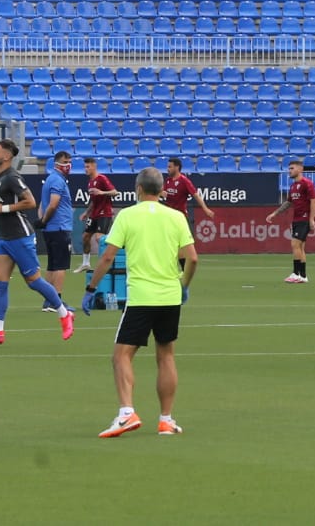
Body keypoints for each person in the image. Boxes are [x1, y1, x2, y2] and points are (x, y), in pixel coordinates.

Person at [90, 166, 198, 437]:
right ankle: (166, 419)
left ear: (138, 189)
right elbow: (192, 258)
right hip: (170, 295)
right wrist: (183, 285)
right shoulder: (176, 217)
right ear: (162, 190)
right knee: (166, 355)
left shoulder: (127, 215)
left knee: (121, 356)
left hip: (140, 296)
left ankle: (127, 413)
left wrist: (91, 288)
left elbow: (107, 256)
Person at [0, 139, 73, 345]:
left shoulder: (12, 177)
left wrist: (1, 209)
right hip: (5, 238)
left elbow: (30, 202)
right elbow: (6, 203)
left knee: (34, 282)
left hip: (20, 237)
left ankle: (64, 314)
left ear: (7, 156)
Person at [265, 158, 315, 284]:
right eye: (289, 168)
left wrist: (312, 219)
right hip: (297, 218)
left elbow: (314, 201)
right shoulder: (293, 186)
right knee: (300, 247)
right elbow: (289, 202)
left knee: (295, 245)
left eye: (292, 168)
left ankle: (296, 273)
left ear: (300, 169)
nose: (289, 171)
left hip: (304, 218)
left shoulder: (307, 183)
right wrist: (275, 213)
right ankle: (303, 276)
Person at [38, 149, 75, 299]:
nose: (69, 165)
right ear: (57, 164)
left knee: (52, 265)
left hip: (51, 228)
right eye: (66, 162)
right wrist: (44, 220)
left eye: (70, 162)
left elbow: (42, 204)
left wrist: (42, 221)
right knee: (61, 265)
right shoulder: (57, 181)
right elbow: (53, 204)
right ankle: (56, 300)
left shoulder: (50, 179)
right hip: (60, 227)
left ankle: (48, 300)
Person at [77, 156, 118, 274]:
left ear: (94, 166)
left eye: (88, 166)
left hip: (104, 213)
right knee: (85, 236)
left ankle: (105, 264)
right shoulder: (90, 182)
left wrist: (102, 192)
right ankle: (85, 263)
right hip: (95, 213)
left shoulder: (102, 179)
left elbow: (115, 192)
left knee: (99, 238)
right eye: (85, 167)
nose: (86, 169)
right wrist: (86, 212)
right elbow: (93, 200)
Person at [162, 158, 217, 226]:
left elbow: (196, 195)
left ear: (177, 167)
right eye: (167, 167)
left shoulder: (184, 181)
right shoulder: (168, 180)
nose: (168, 169)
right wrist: (161, 193)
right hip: (169, 216)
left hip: (181, 217)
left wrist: (205, 209)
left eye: (170, 167)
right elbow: (163, 193)